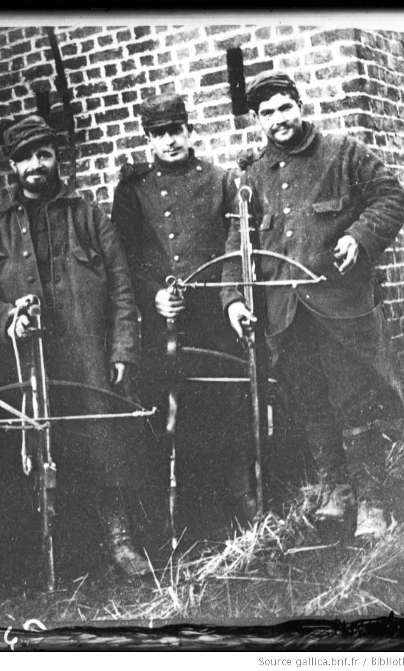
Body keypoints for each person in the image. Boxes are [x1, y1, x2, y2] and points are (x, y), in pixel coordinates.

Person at [222, 72, 404, 540]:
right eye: (267, 113)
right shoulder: (253, 174)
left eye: (285, 108)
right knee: (311, 402)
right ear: (258, 121)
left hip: (340, 308)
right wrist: (234, 299)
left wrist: (358, 237)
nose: (278, 120)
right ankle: (336, 491)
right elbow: (238, 242)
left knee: (355, 401)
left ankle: (373, 501)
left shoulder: (343, 152)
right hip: (285, 313)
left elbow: (391, 197)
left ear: (299, 106)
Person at [0, 114, 151, 577]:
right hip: (29, 361)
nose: (36, 165)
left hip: (88, 356)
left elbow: (122, 287)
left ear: (56, 159)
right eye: (25, 158)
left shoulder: (89, 216)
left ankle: (119, 541)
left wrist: (123, 350)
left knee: (102, 445)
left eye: (44, 154)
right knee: (38, 449)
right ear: (12, 167)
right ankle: (52, 549)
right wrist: (7, 318)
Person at [111, 93, 257, 533]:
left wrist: (230, 299)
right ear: (148, 140)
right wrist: (153, 295)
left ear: (189, 132)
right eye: (159, 135)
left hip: (213, 318)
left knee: (225, 408)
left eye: (175, 131)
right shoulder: (133, 189)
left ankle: (242, 502)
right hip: (164, 323)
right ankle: (179, 520)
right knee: (170, 413)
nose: (169, 142)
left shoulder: (219, 181)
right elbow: (125, 258)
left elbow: (236, 247)